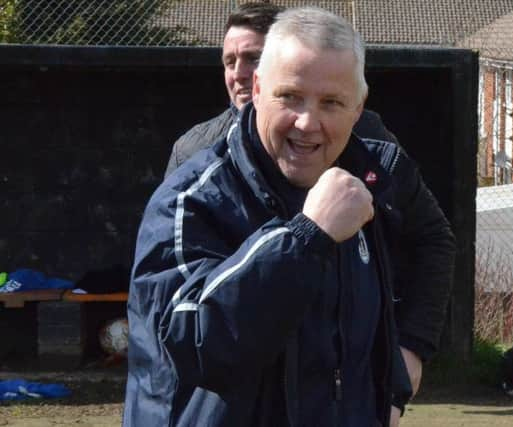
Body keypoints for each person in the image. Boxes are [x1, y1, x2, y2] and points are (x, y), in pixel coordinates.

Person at [124, 6, 456, 427]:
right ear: (258, 89)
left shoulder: (373, 178)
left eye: (331, 102)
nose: (307, 122)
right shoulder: (192, 199)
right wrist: (305, 238)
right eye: (291, 97)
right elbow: (194, 347)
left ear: (358, 108)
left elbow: (428, 250)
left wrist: (403, 362)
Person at [164, 1, 398, 179]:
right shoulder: (192, 150)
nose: (238, 74)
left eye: (252, 58)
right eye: (229, 62)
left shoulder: (367, 134)